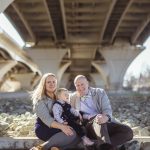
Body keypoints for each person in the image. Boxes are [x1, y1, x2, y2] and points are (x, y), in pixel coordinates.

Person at [70, 75, 133, 148]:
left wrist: (106, 117)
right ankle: (105, 146)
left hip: (104, 121)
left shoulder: (99, 92)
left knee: (128, 132)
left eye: (82, 84)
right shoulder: (72, 97)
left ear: (87, 83)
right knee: (98, 119)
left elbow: (106, 108)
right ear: (75, 87)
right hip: (88, 125)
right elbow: (63, 101)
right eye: (77, 85)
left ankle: (97, 145)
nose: (80, 87)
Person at [30, 73, 79, 150]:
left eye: (53, 82)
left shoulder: (59, 96)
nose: (51, 84)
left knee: (79, 135)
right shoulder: (39, 100)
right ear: (44, 84)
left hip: (59, 125)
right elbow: (47, 119)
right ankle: (41, 148)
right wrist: (62, 127)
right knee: (72, 134)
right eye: (48, 82)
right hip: (45, 127)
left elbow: (71, 99)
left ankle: (53, 148)